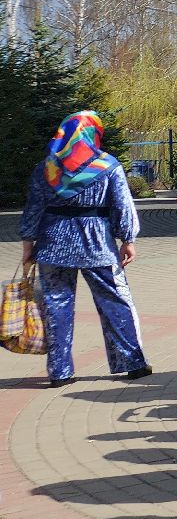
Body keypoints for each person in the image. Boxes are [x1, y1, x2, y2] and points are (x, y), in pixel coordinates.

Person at [21, 111, 151, 388]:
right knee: (113, 300)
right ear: (93, 134)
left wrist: (27, 246)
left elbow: (32, 209)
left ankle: (60, 372)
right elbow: (122, 205)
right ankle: (132, 363)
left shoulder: (46, 168)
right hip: (97, 243)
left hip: (53, 242)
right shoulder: (108, 165)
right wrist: (128, 239)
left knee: (56, 305)